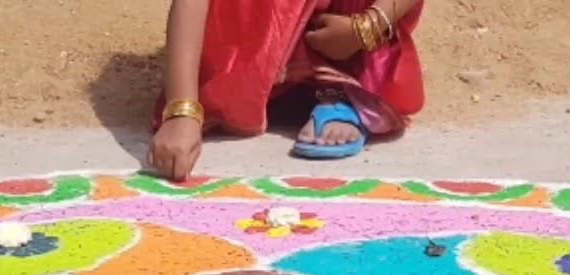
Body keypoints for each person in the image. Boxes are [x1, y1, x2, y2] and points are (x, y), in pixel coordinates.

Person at [146, 0, 424, 181]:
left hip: (341, 38)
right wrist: (182, 111)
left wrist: (364, 28)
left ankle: (340, 88)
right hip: (255, 49)